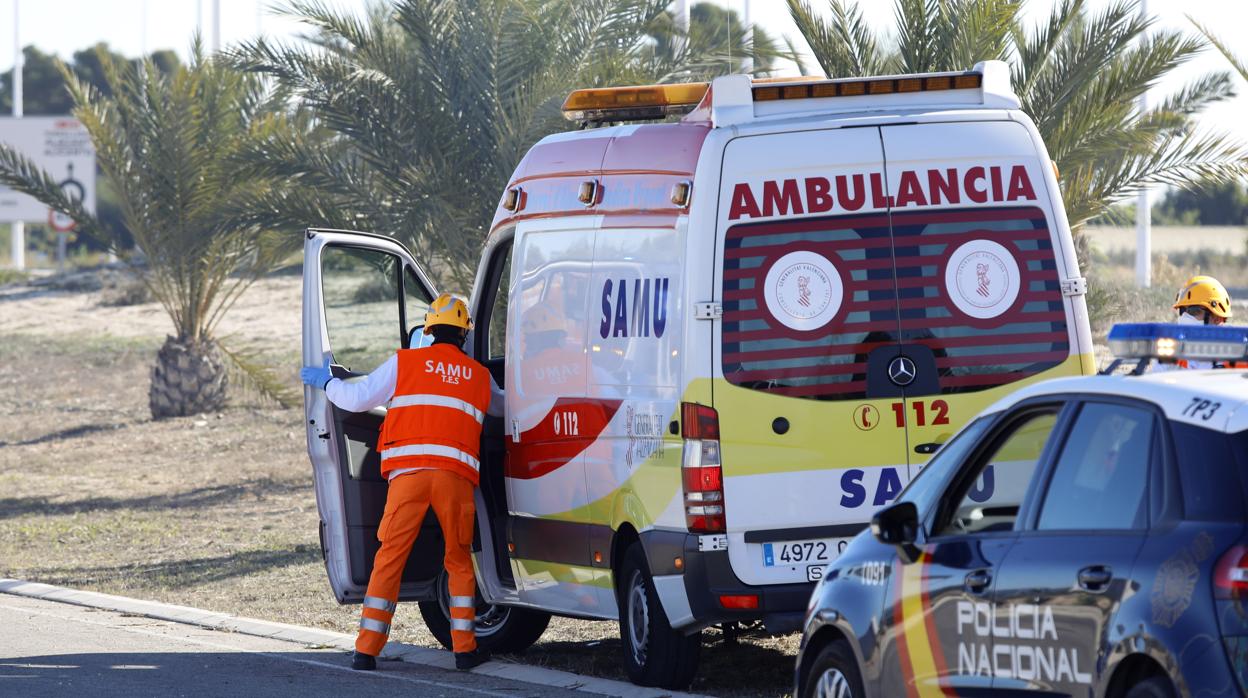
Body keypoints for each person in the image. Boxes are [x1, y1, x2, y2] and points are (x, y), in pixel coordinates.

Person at [300, 293, 500, 672]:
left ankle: (367, 650)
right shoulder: (479, 377)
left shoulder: (404, 363)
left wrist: (327, 383)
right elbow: (506, 408)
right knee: (458, 560)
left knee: (390, 557)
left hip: (408, 477)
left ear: (428, 330)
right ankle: (465, 651)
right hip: (454, 479)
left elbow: (357, 399)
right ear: (464, 335)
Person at [1170, 275, 1234, 369]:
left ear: (1217, 318)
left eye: (1194, 311)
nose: (1185, 317)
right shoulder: (1170, 350)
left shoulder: (1237, 356)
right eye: (1182, 310)